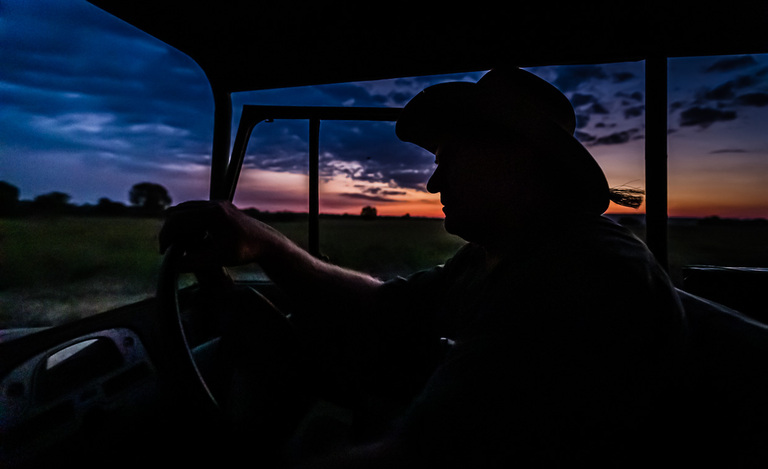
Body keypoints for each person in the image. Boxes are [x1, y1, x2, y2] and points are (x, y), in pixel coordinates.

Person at [159, 67, 687, 467]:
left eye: (446, 158)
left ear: (516, 160)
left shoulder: (583, 276)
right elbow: (389, 306)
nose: (434, 184)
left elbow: (420, 458)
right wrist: (267, 246)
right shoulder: (498, 255)